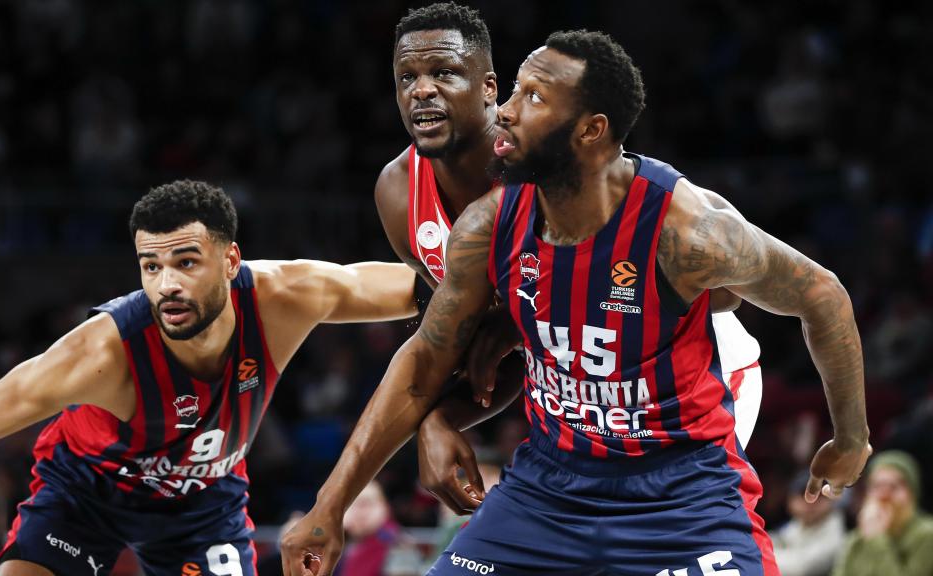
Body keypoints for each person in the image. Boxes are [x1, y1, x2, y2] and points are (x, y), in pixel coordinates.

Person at [282, 30, 871, 576]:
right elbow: (426, 360)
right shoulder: (484, 226)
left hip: (680, 482)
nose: (505, 111)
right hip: (552, 481)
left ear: (591, 130)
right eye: (514, 90)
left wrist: (850, 441)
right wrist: (329, 506)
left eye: (533, 97)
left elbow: (822, 295)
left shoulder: (688, 230)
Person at [0, 180, 419, 576]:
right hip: (86, 498)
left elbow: (434, 285)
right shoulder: (99, 354)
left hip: (202, 504)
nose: (167, 285)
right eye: (150, 266)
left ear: (231, 261)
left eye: (186, 262)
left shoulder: (285, 298)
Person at [379, 2, 768, 519]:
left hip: (688, 378)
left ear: (488, 90)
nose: (423, 91)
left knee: (651, 534)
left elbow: (730, 290)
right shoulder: (402, 195)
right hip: (580, 388)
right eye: (407, 77)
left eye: (443, 73)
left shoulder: (554, 164)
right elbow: (489, 350)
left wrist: (518, 326)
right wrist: (439, 416)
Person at [832, 450, 933, 576]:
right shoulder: (857, 539)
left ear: (912, 493)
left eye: (894, 486)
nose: (884, 495)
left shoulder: (927, 535)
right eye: (877, 486)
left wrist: (876, 539)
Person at [770, 472, 846, 576]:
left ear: (831, 500)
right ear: (790, 501)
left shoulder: (838, 530)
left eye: (819, 496)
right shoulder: (794, 525)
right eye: (803, 496)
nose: (811, 503)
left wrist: (764, 555)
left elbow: (800, 568)